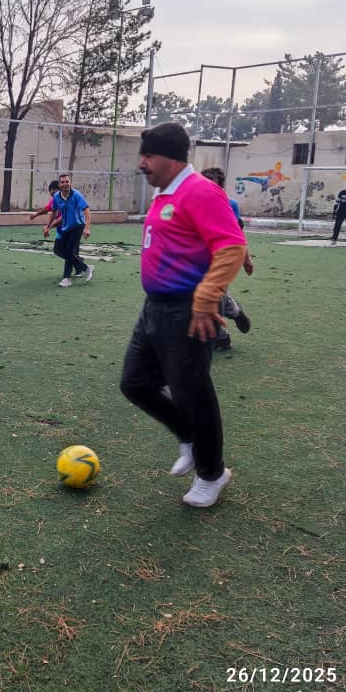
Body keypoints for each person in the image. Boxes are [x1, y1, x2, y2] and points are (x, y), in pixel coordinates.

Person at [120, 122, 248, 507]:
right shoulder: (166, 193)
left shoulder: (200, 191)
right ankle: (189, 437)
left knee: (193, 394)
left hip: (189, 310)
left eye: (148, 155)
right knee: (135, 383)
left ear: (171, 158)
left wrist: (207, 298)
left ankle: (212, 474)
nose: (142, 163)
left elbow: (231, 246)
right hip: (155, 308)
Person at [200, 167, 254, 351]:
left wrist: (246, 258)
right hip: (198, 257)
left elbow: (238, 233)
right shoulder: (194, 203)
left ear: (220, 186)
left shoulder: (230, 204)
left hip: (223, 257)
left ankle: (221, 336)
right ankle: (235, 313)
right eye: (204, 182)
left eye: (212, 183)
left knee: (214, 294)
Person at [44, 173, 92, 287]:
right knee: (58, 250)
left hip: (78, 226)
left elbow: (86, 210)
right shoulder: (57, 197)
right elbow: (53, 212)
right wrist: (47, 227)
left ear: (70, 183)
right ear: (59, 185)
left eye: (67, 181)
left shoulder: (76, 195)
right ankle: (84, 267)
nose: (65, 184)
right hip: (66, 226)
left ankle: (66, 278)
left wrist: (87, 228)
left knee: (70, 250)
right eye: (63, 182)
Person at [30, 179, 66, 262]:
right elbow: (47, 209)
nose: (52, 192)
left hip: (70, 229)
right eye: (50, 190)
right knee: (58, 250)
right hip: (60, 230)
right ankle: (79, 264)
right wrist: (36, 215)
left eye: (54, 189)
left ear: (60, 189)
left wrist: (49, 227)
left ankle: (80, 265)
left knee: (68, 250)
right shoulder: (54, 200)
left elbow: (64, 217)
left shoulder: (66, 200)